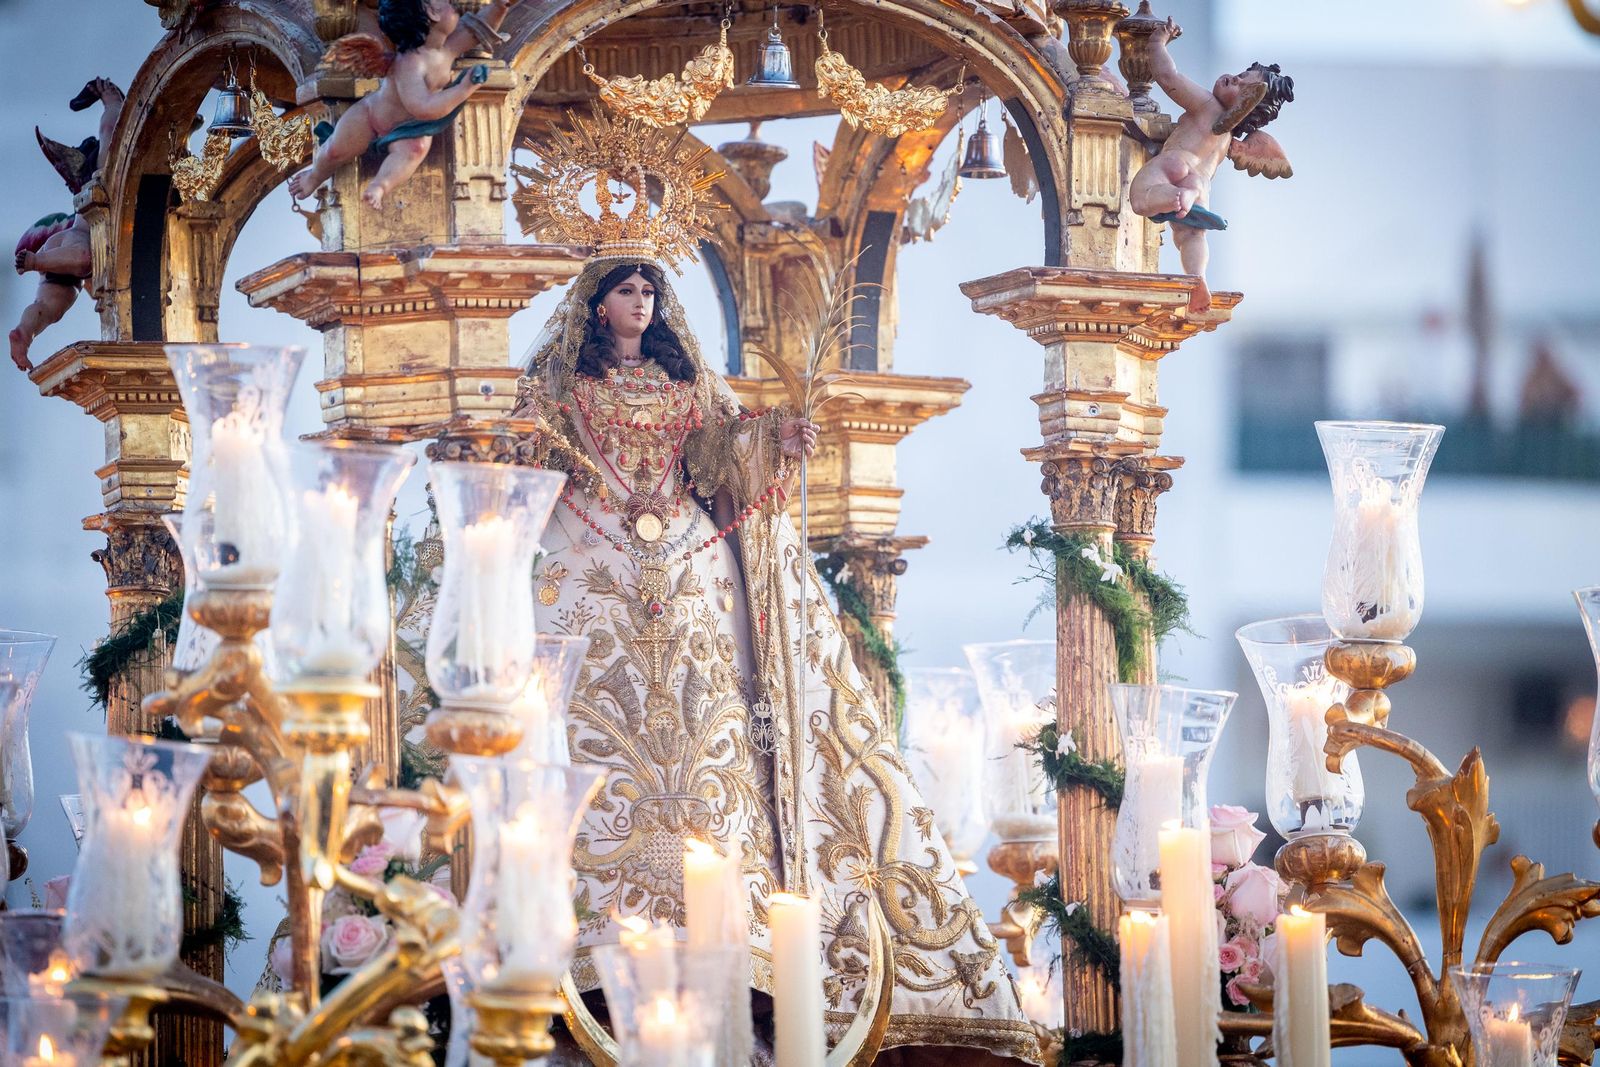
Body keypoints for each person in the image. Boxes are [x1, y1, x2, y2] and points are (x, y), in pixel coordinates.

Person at [514, 255, 1040, 1064]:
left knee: (711, 745)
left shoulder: (685, 384)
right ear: (595, 305)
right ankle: (586, 942)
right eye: (626, 291)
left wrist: (773, 440)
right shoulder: (561, 386)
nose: (640, 303)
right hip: (589, 565)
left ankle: (735, 942)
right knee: (590, 740)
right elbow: (527, 456)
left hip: (692, 578)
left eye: (649, 291)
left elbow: (723, 454)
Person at [1127, 17, 1293, 312]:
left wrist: (1158, 42)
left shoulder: (1206, 105)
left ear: (1247, 107)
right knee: (1191, 234)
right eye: (1240, 74)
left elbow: (1167, 76)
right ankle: (1197, 276)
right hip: (1201, 184)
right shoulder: (1229, 139)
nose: (1234, 78)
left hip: (1175, 164)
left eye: (1242, 86)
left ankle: (1176, 196)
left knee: (1141, 198)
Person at [288, 0, 520, 209]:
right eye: (448, 2)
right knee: (334, 150)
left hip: (408, 127)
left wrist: (500, 7)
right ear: (432, 14)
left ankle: (380, 185)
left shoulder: (446, 49)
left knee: (414, 150)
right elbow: (423, 107)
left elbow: (478, 28)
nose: (456, 6)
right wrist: (464, 88)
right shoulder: (411, 63)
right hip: (370, 117)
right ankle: (314, 176)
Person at [11, 78, 123, 372]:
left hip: (61, 247)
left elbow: (94, 285)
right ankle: (36, 262)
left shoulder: (86, 188)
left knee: (49, 309)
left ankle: (25, 332)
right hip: (75, 246)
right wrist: (109, 96)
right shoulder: (104, 171)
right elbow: (110, 129)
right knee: (86, 259)